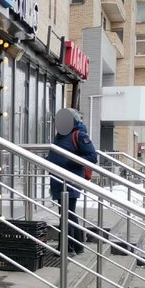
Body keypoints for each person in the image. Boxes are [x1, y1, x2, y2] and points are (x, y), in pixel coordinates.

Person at [47, 108, 98, 256]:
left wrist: (72, 162)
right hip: (58, 180)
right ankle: (76, 245)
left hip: (70, 180)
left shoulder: (79, 135)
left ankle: (67, 247)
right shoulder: (59, 136)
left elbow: (92, 157)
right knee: (67, 214)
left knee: (67, 214)